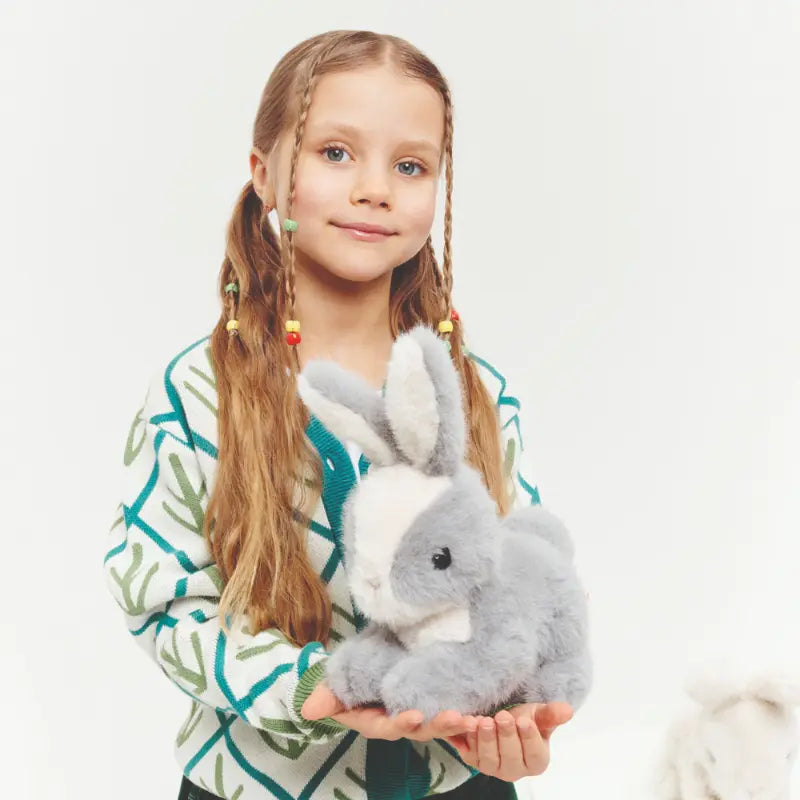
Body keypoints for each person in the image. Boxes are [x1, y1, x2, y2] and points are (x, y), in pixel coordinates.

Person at [103, 29, 573, 800]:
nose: (375, 188)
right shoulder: (196, 396)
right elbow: (162, 601)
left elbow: (523, 582)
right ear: (265, 174)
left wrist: (513, 712)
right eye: (335, 153)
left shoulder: (477, 395)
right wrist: (315, 688)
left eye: (410, 166)